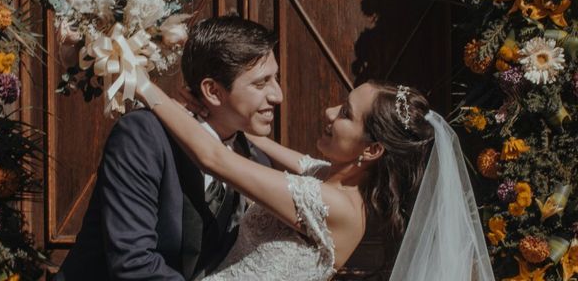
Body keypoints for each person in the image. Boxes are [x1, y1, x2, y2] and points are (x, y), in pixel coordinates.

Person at [143, 82, 496, 280]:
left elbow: (216, 159)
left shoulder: (333, 205)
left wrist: (142, 83)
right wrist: (209, 111)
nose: (328, 113)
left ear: (372, 150)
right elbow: (253, 139)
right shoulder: (325, 177)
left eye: (345, 114)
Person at [54, 16, 283, 280]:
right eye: (261, 83)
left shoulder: (257, 160)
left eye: (275, 79)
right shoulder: (142, 137)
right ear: (213, 91)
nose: (278, 95)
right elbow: (133, 264)